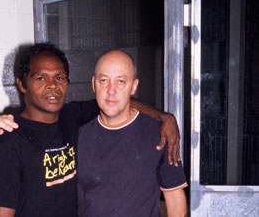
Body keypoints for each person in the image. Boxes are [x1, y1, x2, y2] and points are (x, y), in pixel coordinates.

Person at [0, 43, 181, 217]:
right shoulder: (7, 142)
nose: (52, 86)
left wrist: (165, 117)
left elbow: (115, 101)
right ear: (22, 84)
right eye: (40, 78)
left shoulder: (71, 118)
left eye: (59, 77)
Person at [77, 50, 187, 217]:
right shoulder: (78, 135)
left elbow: (175, 200)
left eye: (120, 81)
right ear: (94, 84)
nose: (111, 90)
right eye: (104, 80)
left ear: (134, 86)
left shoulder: (159, 134)